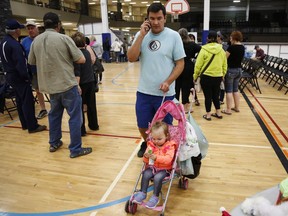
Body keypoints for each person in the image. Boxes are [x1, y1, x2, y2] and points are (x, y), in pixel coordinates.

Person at [28, 12, 92, 158]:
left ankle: (54, 142)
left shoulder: (36, 41)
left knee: (54, 116)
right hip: (67, 84)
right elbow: (81, 59)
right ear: (58, 25)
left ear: (44, 25)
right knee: (75, 117)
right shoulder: (64, 39)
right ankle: (75, 149)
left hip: (50, 87)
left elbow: (31, 61)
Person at [127, 2, 185, 157]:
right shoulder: (142, 36)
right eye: (152, 18)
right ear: (147, 19)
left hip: (165, 95)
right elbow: (131, 57)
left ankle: (164, 151)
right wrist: (141, 35)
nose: (155, 22)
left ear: (165, 18)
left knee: (164, 128)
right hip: (144, 92)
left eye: (159, 18)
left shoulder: (174, 36)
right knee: (141, 124)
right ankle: (148, 143)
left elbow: (180, 64)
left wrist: (168, 81)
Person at [0, 19, 46, 133]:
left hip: (10, 76)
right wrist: (26, 77)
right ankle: (32, 126)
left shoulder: (4, 42)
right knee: (27, 101)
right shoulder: (15, 45)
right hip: (19, 77)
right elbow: (21, 64)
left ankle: (25, 124)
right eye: (19, 29)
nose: (21, 30)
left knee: (20, 101)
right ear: (16, 31)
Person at [132, 121, 177, 209]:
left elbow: (168, 160)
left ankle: (155, 197)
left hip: (165, 169)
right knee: (145, 173)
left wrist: (156, 158)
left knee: (157, 177)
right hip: (153, 167)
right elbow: (146, 161)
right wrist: (146, 157)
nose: (156, 141)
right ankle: (142, 193)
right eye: (154, 138)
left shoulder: (170, 146)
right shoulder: (151, 146)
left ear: (166, 136)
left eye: (159, 139)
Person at [193, 30, 227, 121]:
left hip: (206, 76)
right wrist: (223, 74)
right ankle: (218, 113)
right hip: (218, 76)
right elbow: (224, 64)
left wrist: (195, 76)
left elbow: (198, 65)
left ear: (207, 38)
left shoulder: (203, 49)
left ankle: (208, 115)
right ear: (217, 38)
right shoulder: (222, 50)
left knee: (208, 96)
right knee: (216, 95)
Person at [71, 32, 99, 136]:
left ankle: (82, 130)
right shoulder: (87, 52)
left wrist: (77, 85)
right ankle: (94, 125)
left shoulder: (76, 55)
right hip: (90, 81)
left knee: (79, 108)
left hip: (81, 83)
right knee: (91, 106)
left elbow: (77, 71)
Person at [21, 21, 48, 119]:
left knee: (51, 88)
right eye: (28, 29)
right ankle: (43, 109)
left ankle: (57, 107)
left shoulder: (44, 39)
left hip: (46, 69)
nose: (30, 30)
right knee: (38, 90)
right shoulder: (24, 42)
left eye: (32, 28)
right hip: (33, 70)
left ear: (37, 29)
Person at [176, 28, 201, 113]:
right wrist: (194, 58)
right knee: (186, 87)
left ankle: (175, 107)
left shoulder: (176, 44)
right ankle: (185, 108)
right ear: (187, 34)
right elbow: (201, 50)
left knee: (177, 86)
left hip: (177, 66)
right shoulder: (192, 44)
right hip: (188, 67)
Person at [221, 31, 245, 115]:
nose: (230, 39)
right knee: (236, 90)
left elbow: (224, 58)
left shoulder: (231, 48)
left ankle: (228, 109)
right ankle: (236, 107)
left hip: (231, 70)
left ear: (234, 38)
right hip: (239, 70)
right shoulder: (242, 47)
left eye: (231, 38)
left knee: (229, 91)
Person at [217, 31, 229, 105]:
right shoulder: (215, 45)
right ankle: (217, 98)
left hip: (222, 67)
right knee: (218, 84)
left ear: (220, 37)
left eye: (217, 36)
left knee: (222, 84)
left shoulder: (225, 46)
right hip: (217, 67)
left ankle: (221, 99)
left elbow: (225, 58)